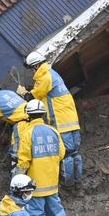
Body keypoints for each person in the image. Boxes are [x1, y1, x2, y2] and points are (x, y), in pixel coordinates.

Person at [16, 100, 70, 216]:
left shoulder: (27, 133)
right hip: (52, 183)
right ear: (43, 114)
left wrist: (18, 182)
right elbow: (61, 154)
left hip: (35, 185)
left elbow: (23, 161)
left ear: (29, 115)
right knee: (57, 213)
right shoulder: (53, 131)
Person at [25, 51, 82, 189]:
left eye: (32, 68)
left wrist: (24, 93)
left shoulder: (45, 77)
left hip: (60, 121)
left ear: (37, 65)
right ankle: (78, 181)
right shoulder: (54, 74)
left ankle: (68, 184)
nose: (33, 71)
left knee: (66, 153)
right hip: (72, 120)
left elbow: (34, 96)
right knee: (75, 152)